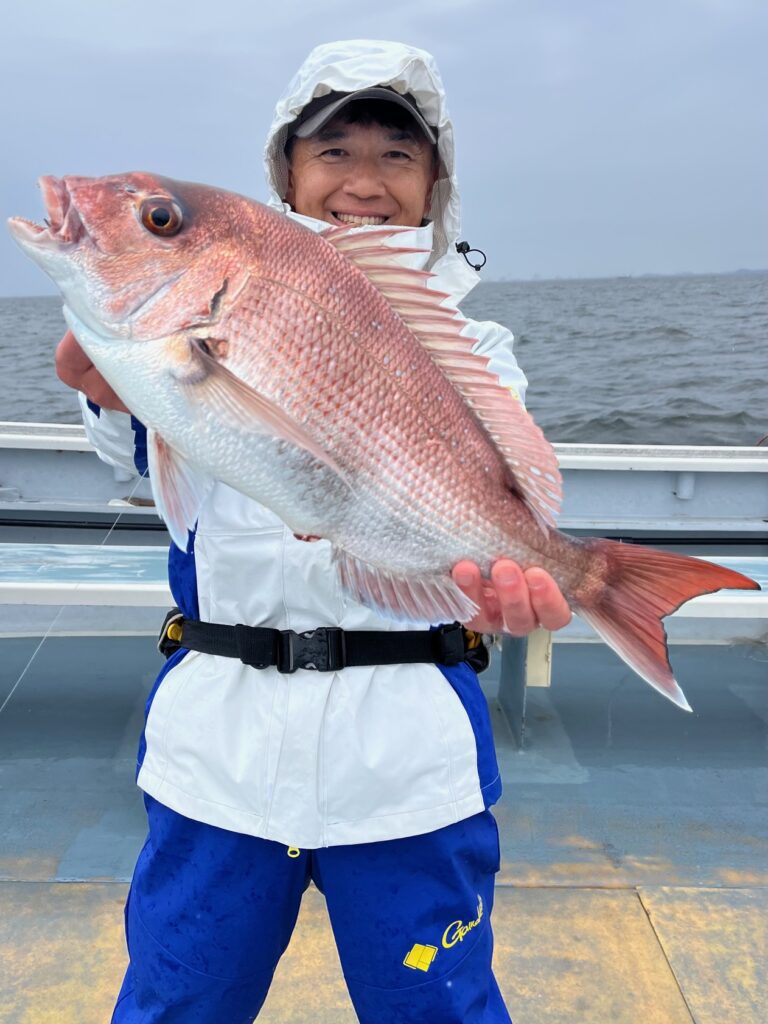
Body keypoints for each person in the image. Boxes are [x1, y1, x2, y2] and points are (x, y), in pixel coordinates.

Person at [56, 39, 570, 1024]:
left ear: (436, 187)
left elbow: (492, 509)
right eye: (334, 153)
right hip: (219, 756)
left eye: (397, 156)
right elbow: (137, 464)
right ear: (285, 170)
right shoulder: (212, 297)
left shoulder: (476, 348)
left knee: (440, 1012)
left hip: (407, 760)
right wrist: (116, 389)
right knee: (174, 1004)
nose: (363, 183)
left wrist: (522, 570)